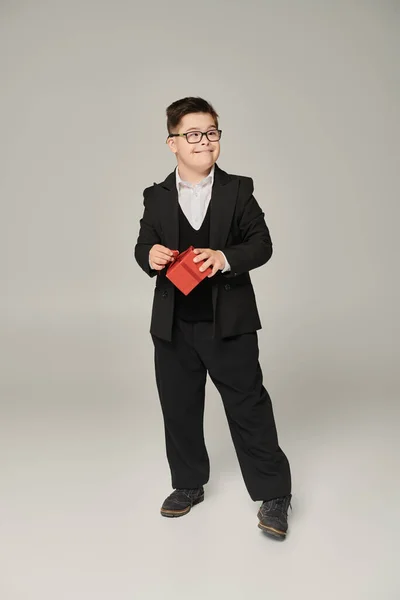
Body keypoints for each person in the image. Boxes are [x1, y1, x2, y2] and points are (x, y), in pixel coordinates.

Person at [134, 96, 292, 540]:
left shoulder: (239, 189)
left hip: (230, 323)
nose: (205, 141)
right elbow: (140, 246)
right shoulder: (156, 195)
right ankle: (188, 484)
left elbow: (262, 245)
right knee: (179, 408)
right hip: (174, 326)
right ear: (173, 143)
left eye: (212, 132)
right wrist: (149, 254)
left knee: (248, 407)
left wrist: (224, 256)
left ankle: (275, 494)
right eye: (194, 134)